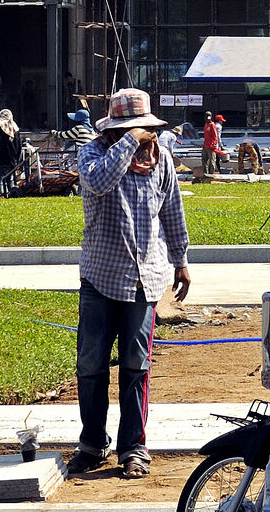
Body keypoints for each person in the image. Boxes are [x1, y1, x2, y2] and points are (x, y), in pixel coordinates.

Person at [71, 88, 190, 480]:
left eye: (143, 129)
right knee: (91, 365)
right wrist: (127, 143)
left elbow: (172, 211)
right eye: (132, 130)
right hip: (101, 277)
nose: (142, 136)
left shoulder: (161, 161)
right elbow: (99, 182)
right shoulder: (92, 154)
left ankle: (133, 448)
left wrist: (181, 261)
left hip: (146, 279)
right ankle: (91, 443)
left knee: (136, 366)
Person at [0, 108, 23, 196]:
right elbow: (19, 148)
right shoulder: (16, 131)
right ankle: (11, 193)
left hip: (5, 161)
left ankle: (1, 195)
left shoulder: (3, 132)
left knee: (0, 180)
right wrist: (17, 162)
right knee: (10, 180)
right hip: (13, 161)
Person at [200, 112, 224, 182]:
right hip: (205, 145)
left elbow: (215, 136)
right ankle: (205, 173)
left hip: (211, 146)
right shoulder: (206, 125)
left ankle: (211, 175)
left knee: (212, 161)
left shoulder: (212, 125)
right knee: (204, 160)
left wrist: (214, 144)